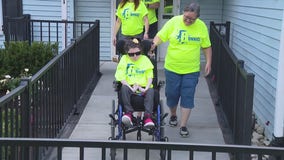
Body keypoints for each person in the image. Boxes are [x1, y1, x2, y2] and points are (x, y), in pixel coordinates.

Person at [151, 2, 212, 137]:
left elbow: (206, 46)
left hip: (191, 70)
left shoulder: (201, 26)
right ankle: (173, 115)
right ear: (183, 13)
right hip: (172, 68)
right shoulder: (174, 22)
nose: (188, 20)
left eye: (192, 19)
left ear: (197, 18)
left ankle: (183, 125)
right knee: (172, 95)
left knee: (187, 96)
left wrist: (208, 62)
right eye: (186, 17)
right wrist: (154, 44)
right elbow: (161, 35)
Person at [115, 38, 155, 128]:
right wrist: (131, 87)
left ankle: (147, 117)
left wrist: (145, 88)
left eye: (137, 53)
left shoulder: (145, 59)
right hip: (129, 87)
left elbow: (150, 76)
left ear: (140, 51)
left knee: (151, 91)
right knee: (124, 88)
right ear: (127, 53)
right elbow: (121, 76)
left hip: (144, 87)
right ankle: (128, 113)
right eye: (131, 54)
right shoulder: (124, 59)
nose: (135, 56)